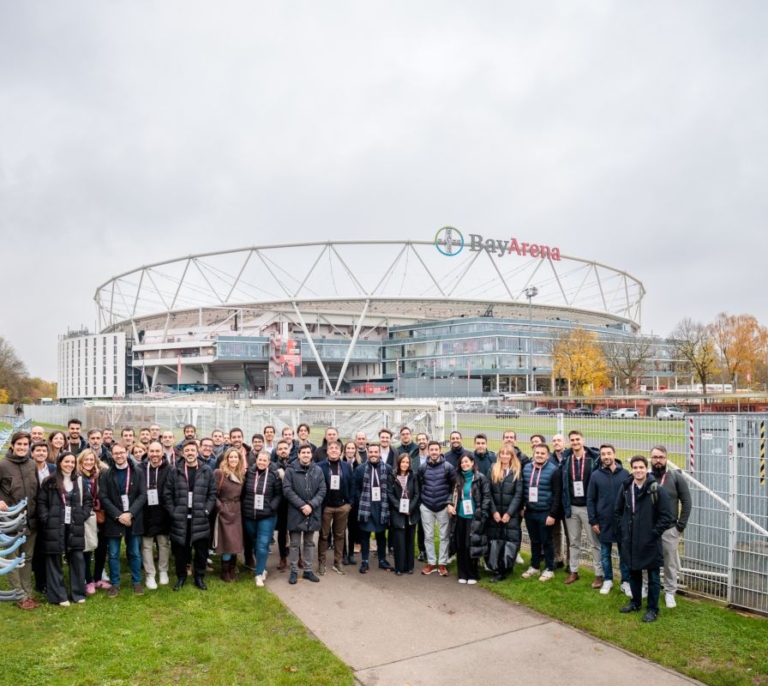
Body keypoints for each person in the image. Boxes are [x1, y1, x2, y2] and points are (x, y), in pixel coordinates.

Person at [615, 455, 673, 623]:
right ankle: (635, 602)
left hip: (649, 541)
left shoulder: (656, 489)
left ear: (646, 469)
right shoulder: (626, 487)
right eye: (635, 467)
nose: (638, 470)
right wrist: (624, 530)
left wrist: (653, 533)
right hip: (630, 539)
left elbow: (666, 516)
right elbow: (618, 511)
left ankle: (653, 609)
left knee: (653, 577)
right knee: (634, 573)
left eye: (641, 467)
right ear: (631, 469)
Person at [37, 452, 93, 606]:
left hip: (75, 524)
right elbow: (41, 503)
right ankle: (59, 596)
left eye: (72, 462)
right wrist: (46, 519)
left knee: (77, 558)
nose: (70, 465)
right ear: (60, 462)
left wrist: (83, 515)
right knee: (54, 559)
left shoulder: (79, 481)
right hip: (54, 525)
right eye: (66, 461)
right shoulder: (49, 482)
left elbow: (88, 500)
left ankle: (78, 593)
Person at [163, 440, 217, 591]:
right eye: (187, 451)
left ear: (197, 451)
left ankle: (199, 577)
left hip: (200, 518)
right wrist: (173, 512)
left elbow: (212, 493)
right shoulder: (175, 471)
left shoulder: (206, 471)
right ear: (182, 453)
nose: (190, 453)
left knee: (200, 551)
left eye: (193, 450)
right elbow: (167, 494)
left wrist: (206, 510)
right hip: (180, 518)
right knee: (181, 551)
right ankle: (181, 577)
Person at [99, 442, 147, 596]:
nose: (119, 456)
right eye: (115, 453)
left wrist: (130, 513)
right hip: (115, 519)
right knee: (113, 553)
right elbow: (104, 497)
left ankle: (136, 582)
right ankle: (115, 583)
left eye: (121, 452)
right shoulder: (106, 474)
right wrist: (119, 515)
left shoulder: (138, 472)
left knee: (134, 552)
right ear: (112, 455)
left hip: (133, 518)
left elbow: (142, 495)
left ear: (127, 453)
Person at [0, 431, 41, 610]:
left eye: (25, 444)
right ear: (13, 445)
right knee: (13, 559)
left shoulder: (32, 464)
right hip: (11, 520)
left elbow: (36, 489)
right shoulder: (2, 464)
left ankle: (28, 592)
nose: (22, 447)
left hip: (30, 520)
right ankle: (19, 594)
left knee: (27, 558)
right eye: (19, 444)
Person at [650, 445, 692, 609]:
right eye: (655, 457)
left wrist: (680, 526)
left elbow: (687, 502)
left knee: (670, 564)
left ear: (666, 458)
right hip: (650, 530)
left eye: (661, 457)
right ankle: (647, 587)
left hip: (669, 529)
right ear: (651, 459)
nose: (658, 460)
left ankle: (669, 592)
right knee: (649, 561)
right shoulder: (646, 477)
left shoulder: (676, 477)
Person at [587, 445, 630, 595]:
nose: (606, 456)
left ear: (614, 454)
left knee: (624, 554)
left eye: (609, 453)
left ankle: (626, 581)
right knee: (605, 553)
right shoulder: (595, 475)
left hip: (621, 521)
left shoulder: (625, 474)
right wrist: (593, 521)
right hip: (603, 521)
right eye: (603, 454)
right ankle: (608, 580)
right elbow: (590, 499)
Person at [562, 430, 603, 586]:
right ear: (569, 442)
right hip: (571, 506)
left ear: (583, 440)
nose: (575, 442)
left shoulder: (594, 459)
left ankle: (599, 574)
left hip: (588, 508)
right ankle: (574, 572)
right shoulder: (566, 459)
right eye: (572, 440)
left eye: (577, 439)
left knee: (594, 542)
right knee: (574, 542)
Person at [282, 444, 326, 584]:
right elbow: (287, 490)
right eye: (303, 452)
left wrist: (311, 505)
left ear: (311, 455)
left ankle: (308, 570)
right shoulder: (290, 470)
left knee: (308, 543)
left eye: (308, 452)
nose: (306, 455)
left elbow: (322, 490)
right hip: (296, 511)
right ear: (299, 454)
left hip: (312, 512)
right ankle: (294, 571)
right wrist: (302, 505)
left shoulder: (318, 470)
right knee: (294, 543)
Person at [521, 444, 562, 582]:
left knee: (547, 541)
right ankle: (535, 566)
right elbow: (522, 490)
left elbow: (557, 494)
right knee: (534, 541)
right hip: (530, 511)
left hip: (545, 512)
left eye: (542, 453)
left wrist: (552, 514)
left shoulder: (554, 470)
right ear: (533, 453)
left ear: (548, 456)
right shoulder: (526, 468)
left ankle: (549, 568)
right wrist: (522, 506)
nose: (539, 455)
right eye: (537, 452)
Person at [352, 443, 394, 574]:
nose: (374, 454)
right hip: (366, 506)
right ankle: (365, 561)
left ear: (379, 453)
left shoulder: (387, 468)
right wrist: (361, 500)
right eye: (371, 452)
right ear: (368, 453)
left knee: (381, 535)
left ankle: (382, 560)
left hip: (381, 506)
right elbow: (356, 487)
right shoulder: (360, 469)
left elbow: (391, 487)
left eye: (376, 452)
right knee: (365, 535)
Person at [242, 451, 283, 587]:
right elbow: (243, 492)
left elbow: (279, 494)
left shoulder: (273, 475)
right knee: (255, 542)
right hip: (249, 515)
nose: (261, 462)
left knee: (262, 543)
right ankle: (262, 566)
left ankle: (259, 574)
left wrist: (271, 507)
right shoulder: (249, 474)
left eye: (265, 461)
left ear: (269, 462)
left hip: (267, 516)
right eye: (260, 460)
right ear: (256, 460)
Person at [449, 453, 490, 584]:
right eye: (462, 463)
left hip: (474, 517)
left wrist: (483, 515)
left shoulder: (480, 478)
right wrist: (449, 505)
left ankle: (472, 574)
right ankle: (462, 573)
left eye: (467, 462)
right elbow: (452, 495)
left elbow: (486, 497)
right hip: (460, 517)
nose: (464, 464)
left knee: (470, 545)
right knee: (460, 545)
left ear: (472, 463)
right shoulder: (458, 478)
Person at [418, 440, 456, 577]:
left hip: (443, 507)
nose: (434, 452)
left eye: (436, 450)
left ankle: (442, 564)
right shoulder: (423, 467)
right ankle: (432, 563)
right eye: (431, 450)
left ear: (440, 451)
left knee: (443, 536)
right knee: (428, 536)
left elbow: (454, 486)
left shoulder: (448, 467)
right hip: (427, 506)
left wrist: (449, 502)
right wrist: (421, 503)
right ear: (428, 451)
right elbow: (419, 484)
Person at [487, 446, 523, 582]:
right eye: (502, 453)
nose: (505, 456)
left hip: (510, 515)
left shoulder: (516, 472)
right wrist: (494, 511)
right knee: (496, 541)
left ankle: (506, 567)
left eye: (508, 454)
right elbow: (488, 493)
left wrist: (509, 513)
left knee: (510, 541)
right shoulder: (492, 470)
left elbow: (518, 495)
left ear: (512, 456)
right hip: (496, 514)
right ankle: (497, 569)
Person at [318, 441, 353, 575]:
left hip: (342, 507)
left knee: (340, 535)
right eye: (331, 448)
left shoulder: (346, 466)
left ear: (341, 452)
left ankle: (338, 562)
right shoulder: (319, 466)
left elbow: (352, 484)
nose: (333, 450)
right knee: (323, 535)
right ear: (327, 451)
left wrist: (349, 504)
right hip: (326, 507)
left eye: (336, 448)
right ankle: (322, 562)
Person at [140, 441, 172, 590]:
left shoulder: (170, 469)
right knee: (146, 545)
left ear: (162, 453)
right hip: (145, 512)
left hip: (163, 512)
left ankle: (163, 570)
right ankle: (150, 574)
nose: (154, 454)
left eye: (157, 451)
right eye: (151, 451)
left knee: (163, 543)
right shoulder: (140, 468)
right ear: (147, 452)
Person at [76, 449, 108, 595]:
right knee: (87, 548)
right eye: (86, 460)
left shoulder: (101, 475)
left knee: (101, 547)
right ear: (81, 462)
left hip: (101, 515)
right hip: (85, 517)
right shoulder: (76, 476)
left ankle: (98, 577)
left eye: (91, 460)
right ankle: (88, 580)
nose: (89, 462)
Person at [213, 447, 245, 582]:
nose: (233, 459)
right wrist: (220, 507)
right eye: (230, 457)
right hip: (224, 511)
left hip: (236, 511)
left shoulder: (240, 475)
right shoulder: (219, 473)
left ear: (239, 460)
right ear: (226, 459)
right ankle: (225, 571)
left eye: (235, 457)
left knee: (235, 543)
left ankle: (232, 569)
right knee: (227, 543)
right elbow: (212, 493)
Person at [388, 453, 421, 575]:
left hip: (411, 513)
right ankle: (399, 567)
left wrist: (410, 508)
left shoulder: (413, 476)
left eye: (407, 462)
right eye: (403, 462)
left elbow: (417, 493)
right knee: (399, 541)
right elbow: (390, 494)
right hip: (398, 512)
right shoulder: (392, 476)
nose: (405, 464)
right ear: (399, 463)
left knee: (410, 540)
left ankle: (409, 566)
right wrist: (400, 507)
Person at [30, 442, 55, 594]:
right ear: (32, 453)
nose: (41, 453)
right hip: (33, 514)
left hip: (51, 513)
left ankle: (51, 579)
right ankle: (41, 582)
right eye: (37, 450)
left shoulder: (53, 469)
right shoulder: (28, 469)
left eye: (43, 450)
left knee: (50, 548)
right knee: (37, 550)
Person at [549, 433, 569, 570]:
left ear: (565, 442)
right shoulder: (549, 459)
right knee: (555, 532)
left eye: (559, 440)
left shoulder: (569, 457)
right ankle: (558, 557)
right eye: (554, 440)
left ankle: (570, 562)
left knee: (570, 534)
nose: (556, 443)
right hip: (554, 502)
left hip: (568, 502)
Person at [272, 439, 293, 571]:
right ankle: (282, 557)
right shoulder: (273, 466)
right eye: (280, 449)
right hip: (280, 504)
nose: (283, 451)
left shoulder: (294, 464)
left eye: (285, 448)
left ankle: (298, 556)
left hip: (293, 503)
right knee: (281, 532)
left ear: (289, 449)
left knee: (295, 531)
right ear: (277, 451)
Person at [342, 441, 361, 565]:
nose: (350, 450)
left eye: (352, 448)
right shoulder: (340, 464)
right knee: (342, 529)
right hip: (343, 502)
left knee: (352, 528)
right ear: (344, 450)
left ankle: (351, 554)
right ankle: (343, 553)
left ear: (355, 450)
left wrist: (355, 500)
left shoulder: (359, 465)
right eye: (348, 448)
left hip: (355, 502)